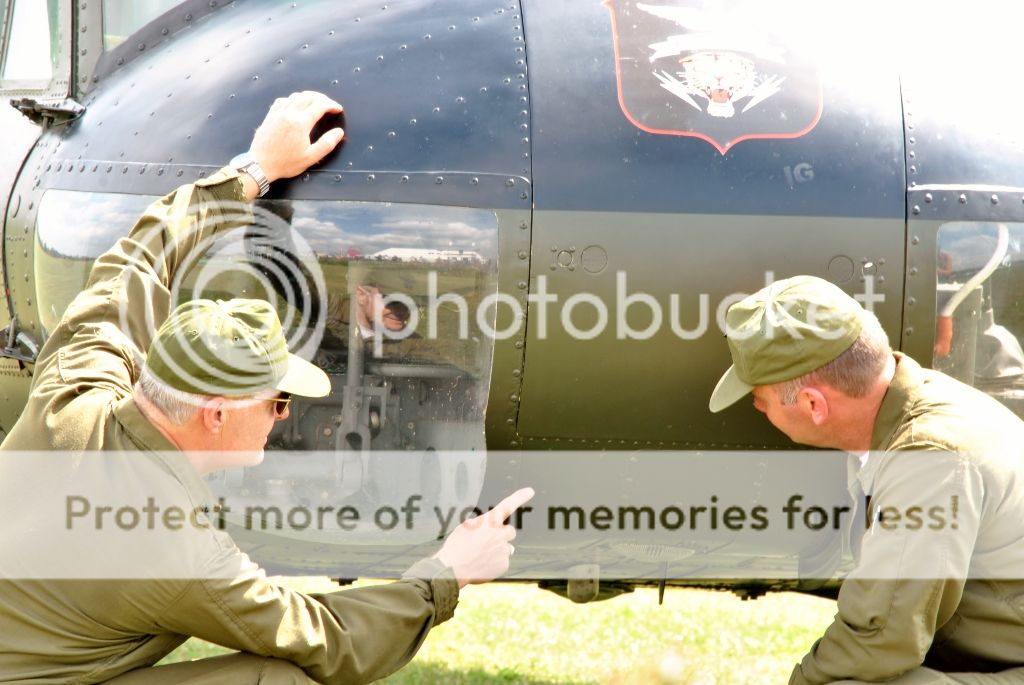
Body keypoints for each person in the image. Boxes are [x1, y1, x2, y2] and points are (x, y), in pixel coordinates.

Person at [0, 91, 532, 684]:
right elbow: (325, 641)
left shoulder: (77, 386)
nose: (282, 417)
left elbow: (139, 259)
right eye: (276, 401)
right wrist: (448, 574)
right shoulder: (171, 547)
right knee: (277, 680)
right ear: (218, 414)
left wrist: (255, 168)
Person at [709, 275, 1024, 685]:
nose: (756, 406)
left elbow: (882, 637)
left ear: (812, 404)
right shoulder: (920, 406)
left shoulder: (926, 459)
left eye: (761, 399)